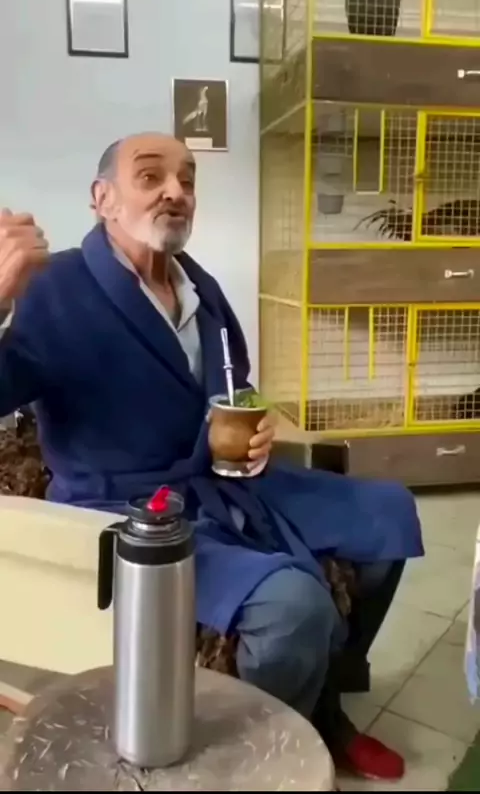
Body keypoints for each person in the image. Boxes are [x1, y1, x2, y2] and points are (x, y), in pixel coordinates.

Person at [0, 133, 424, 781]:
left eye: (188, 179)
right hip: (125, 509)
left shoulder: (201, 287)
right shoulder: (52, 287)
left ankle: (325, 704)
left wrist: (255, 432)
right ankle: (252, 759)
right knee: (292, 608)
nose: (176, 191)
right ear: (102, 199)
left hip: (221, 478)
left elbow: (234, 388)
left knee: (389, 512)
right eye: (151, 176)